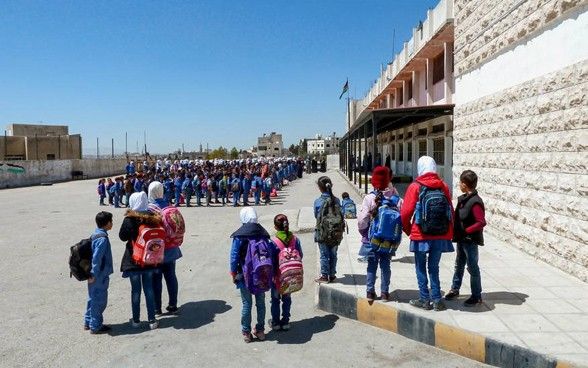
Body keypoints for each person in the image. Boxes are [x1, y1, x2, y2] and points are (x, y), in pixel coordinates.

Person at [400, 156, 454, 311]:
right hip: (440, 234)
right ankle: (437, 299)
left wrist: (409, 230)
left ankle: (424, 299)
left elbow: (405, 213)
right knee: (434, 267)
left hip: (421, 235)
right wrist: (449, 232)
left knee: (420, 267)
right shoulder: (443, 185)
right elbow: (450, 210)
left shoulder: (415, 186)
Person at [357, 166, 401, 302]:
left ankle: (370, 292)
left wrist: (363, 231)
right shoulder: (395, 198)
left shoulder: (370, 198)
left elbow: (362, 220)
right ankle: (385, 293)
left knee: (371, 265)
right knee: (386, 265)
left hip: (372, 239)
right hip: (389, 240)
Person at [119, 192, 161, 329]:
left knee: (135, 290)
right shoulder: (152, 218)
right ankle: (152, 320)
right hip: (149, 259)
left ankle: (136, 320)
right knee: (149, 289)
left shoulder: (130, 219)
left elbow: (122, 237)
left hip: (134, 259)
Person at [445, 170, 486, 306]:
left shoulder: (475, 202)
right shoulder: (464, 199)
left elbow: (481, 222)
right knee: (459, 265)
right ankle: (455, 289)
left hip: (470, 241)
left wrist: (466, 231)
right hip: (462, 239)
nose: (459, 184)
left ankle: (476, 296)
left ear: (464, 184)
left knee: (472, 267)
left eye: (460, 182)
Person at [229, 208, 270, 343]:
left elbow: (234, 256)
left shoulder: (240, 235)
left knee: (246, 303)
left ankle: (246, 333)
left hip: (244, 275)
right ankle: (260, 330)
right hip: (260, 274)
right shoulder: (263, 233)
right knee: (261, 302)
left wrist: (233, 272)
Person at [148, 181, 182, 315]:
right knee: (171, 276)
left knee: (156, 279)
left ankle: (157, 308)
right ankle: (173, 304)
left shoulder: (150, 210)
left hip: (156, 251)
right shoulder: (169, 206)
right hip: (171, 248)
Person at [268, 214, 303, 331]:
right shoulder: (295, 239)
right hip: (290, 276)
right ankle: (286, 321)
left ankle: (276, 323)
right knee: (287, 298)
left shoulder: (273, 242)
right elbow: (300, 255)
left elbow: (271, 261)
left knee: (275, 300)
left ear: (275, 227)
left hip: (277, 277)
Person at [84, 211, 114, 334]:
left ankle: (88, 321)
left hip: (92, 274)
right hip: (98, 275)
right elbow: (97, 259)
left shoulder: (95, 234)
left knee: (92, 298)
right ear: (107, 223)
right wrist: (93, 274)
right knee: (99, 300)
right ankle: (95, 325)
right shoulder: (103, 239)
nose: (112, 223)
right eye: (111, 221)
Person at [313, 176, 343, 283]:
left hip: (322, 233)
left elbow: (316, 216)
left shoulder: (318, 201)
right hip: (336, 233)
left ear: (320, 188)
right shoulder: (337, 200)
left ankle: (324, 276)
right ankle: (332, 274)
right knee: (333, 254)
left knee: (324, 254)